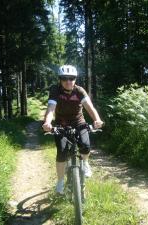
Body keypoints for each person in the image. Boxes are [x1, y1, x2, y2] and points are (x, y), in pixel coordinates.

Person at [42, 65, 104, 194]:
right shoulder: (55, 90)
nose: (68, 81)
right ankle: (60, 182)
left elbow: (90, 107)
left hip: (78, 122)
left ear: (75, 79)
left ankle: (85, 163)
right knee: (62, 153)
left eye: (72, 78)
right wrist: (47, 122)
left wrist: (97, 120)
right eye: (64, 78)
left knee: (85, 146)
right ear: (60, 79)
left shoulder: (79, 91)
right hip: (61, 124)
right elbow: (51, 109)